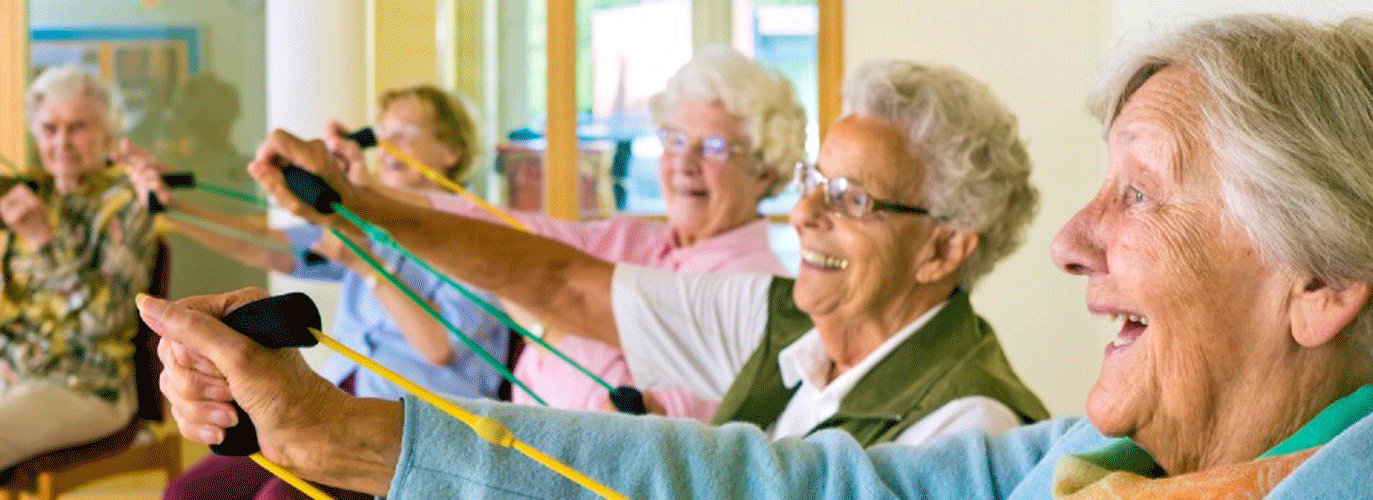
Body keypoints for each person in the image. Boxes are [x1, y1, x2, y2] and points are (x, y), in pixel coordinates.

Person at [153, 14, 1373, 498]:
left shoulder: (975, 410)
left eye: (1142, 197)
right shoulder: (1091, 463)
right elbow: (769, 481)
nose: (1075, 242)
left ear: (1322, 281)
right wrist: (350, 418)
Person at [194, 56, 1050, 454]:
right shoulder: (782, 320)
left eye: (851, 199)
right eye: (814, 181)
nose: (807, 213)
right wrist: (358, 201)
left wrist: (334, 433)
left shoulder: (969, 427)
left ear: (945, 247)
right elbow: (556, 275)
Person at [151, 85, 511, 500]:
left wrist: (366, 263)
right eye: (382, 133)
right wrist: (174, 207)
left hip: (417, 428)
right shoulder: (369, 221)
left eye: (406, 134)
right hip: (338, 400)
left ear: (452, 150)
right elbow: (264, 245)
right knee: (189, 493)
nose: (388, 146)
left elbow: (439, 347)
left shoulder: (478, 234)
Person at [417, 46, 803, 419]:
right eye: (676, 140)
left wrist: (548, 323)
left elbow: (635, 422)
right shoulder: (634, 240)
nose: (685, 162)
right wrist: (378, 201)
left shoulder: (758, 292)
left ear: (763, 171)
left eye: (715, 147)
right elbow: (509, 232)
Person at [0, 65, 157, 468]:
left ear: (107, 135)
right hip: (15, 373)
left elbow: (106, 320)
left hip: (88, 385)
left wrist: (44, 243)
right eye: (50, 128)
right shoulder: (30, 197)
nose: (62, 142)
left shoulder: (126, 208)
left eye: (78, 127)